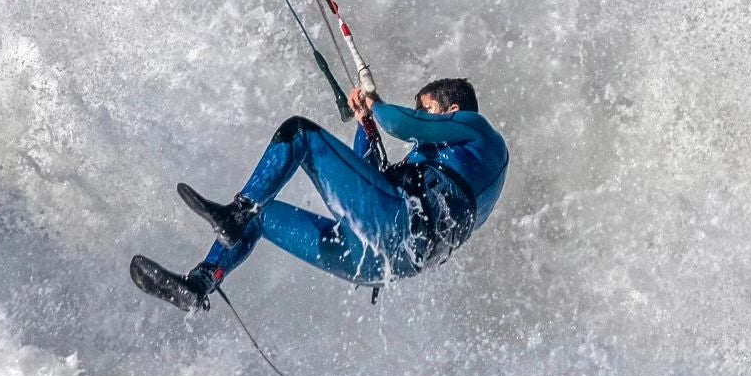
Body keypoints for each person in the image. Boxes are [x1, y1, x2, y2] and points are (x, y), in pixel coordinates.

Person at [131, 78, 508, 310]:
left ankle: (236, 213)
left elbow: (399, 123)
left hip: (397, 232)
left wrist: (376, 104)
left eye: (425, 109)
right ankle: (199, 284)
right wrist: (364, 124)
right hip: (380, 261)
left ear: (453, 110)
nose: (420, 117)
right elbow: (367, 181)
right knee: (262, 214)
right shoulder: (448, 166)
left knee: (300, 133)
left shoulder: (480, 134)